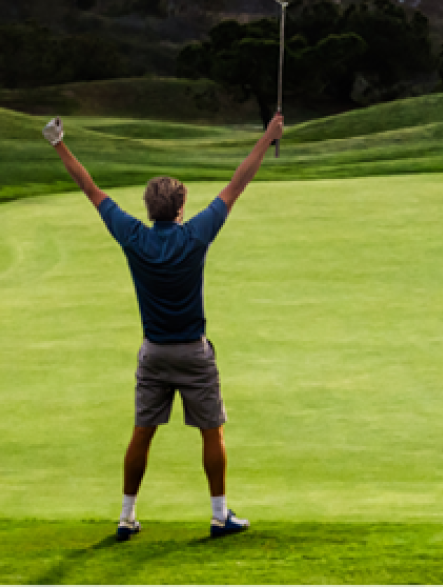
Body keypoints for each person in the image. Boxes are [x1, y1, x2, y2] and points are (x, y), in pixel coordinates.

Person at [43, 113, 285, 542]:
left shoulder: (133, 236)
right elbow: (237, 183)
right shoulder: (195, 236)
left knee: (142, 433)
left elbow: (90, 188)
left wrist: (59, 144)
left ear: (148, 208)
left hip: (153, 352)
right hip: (193, 352)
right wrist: (268, 137)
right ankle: (218, 514)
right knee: (212, 431)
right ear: (180, 208)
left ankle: (126, 516)